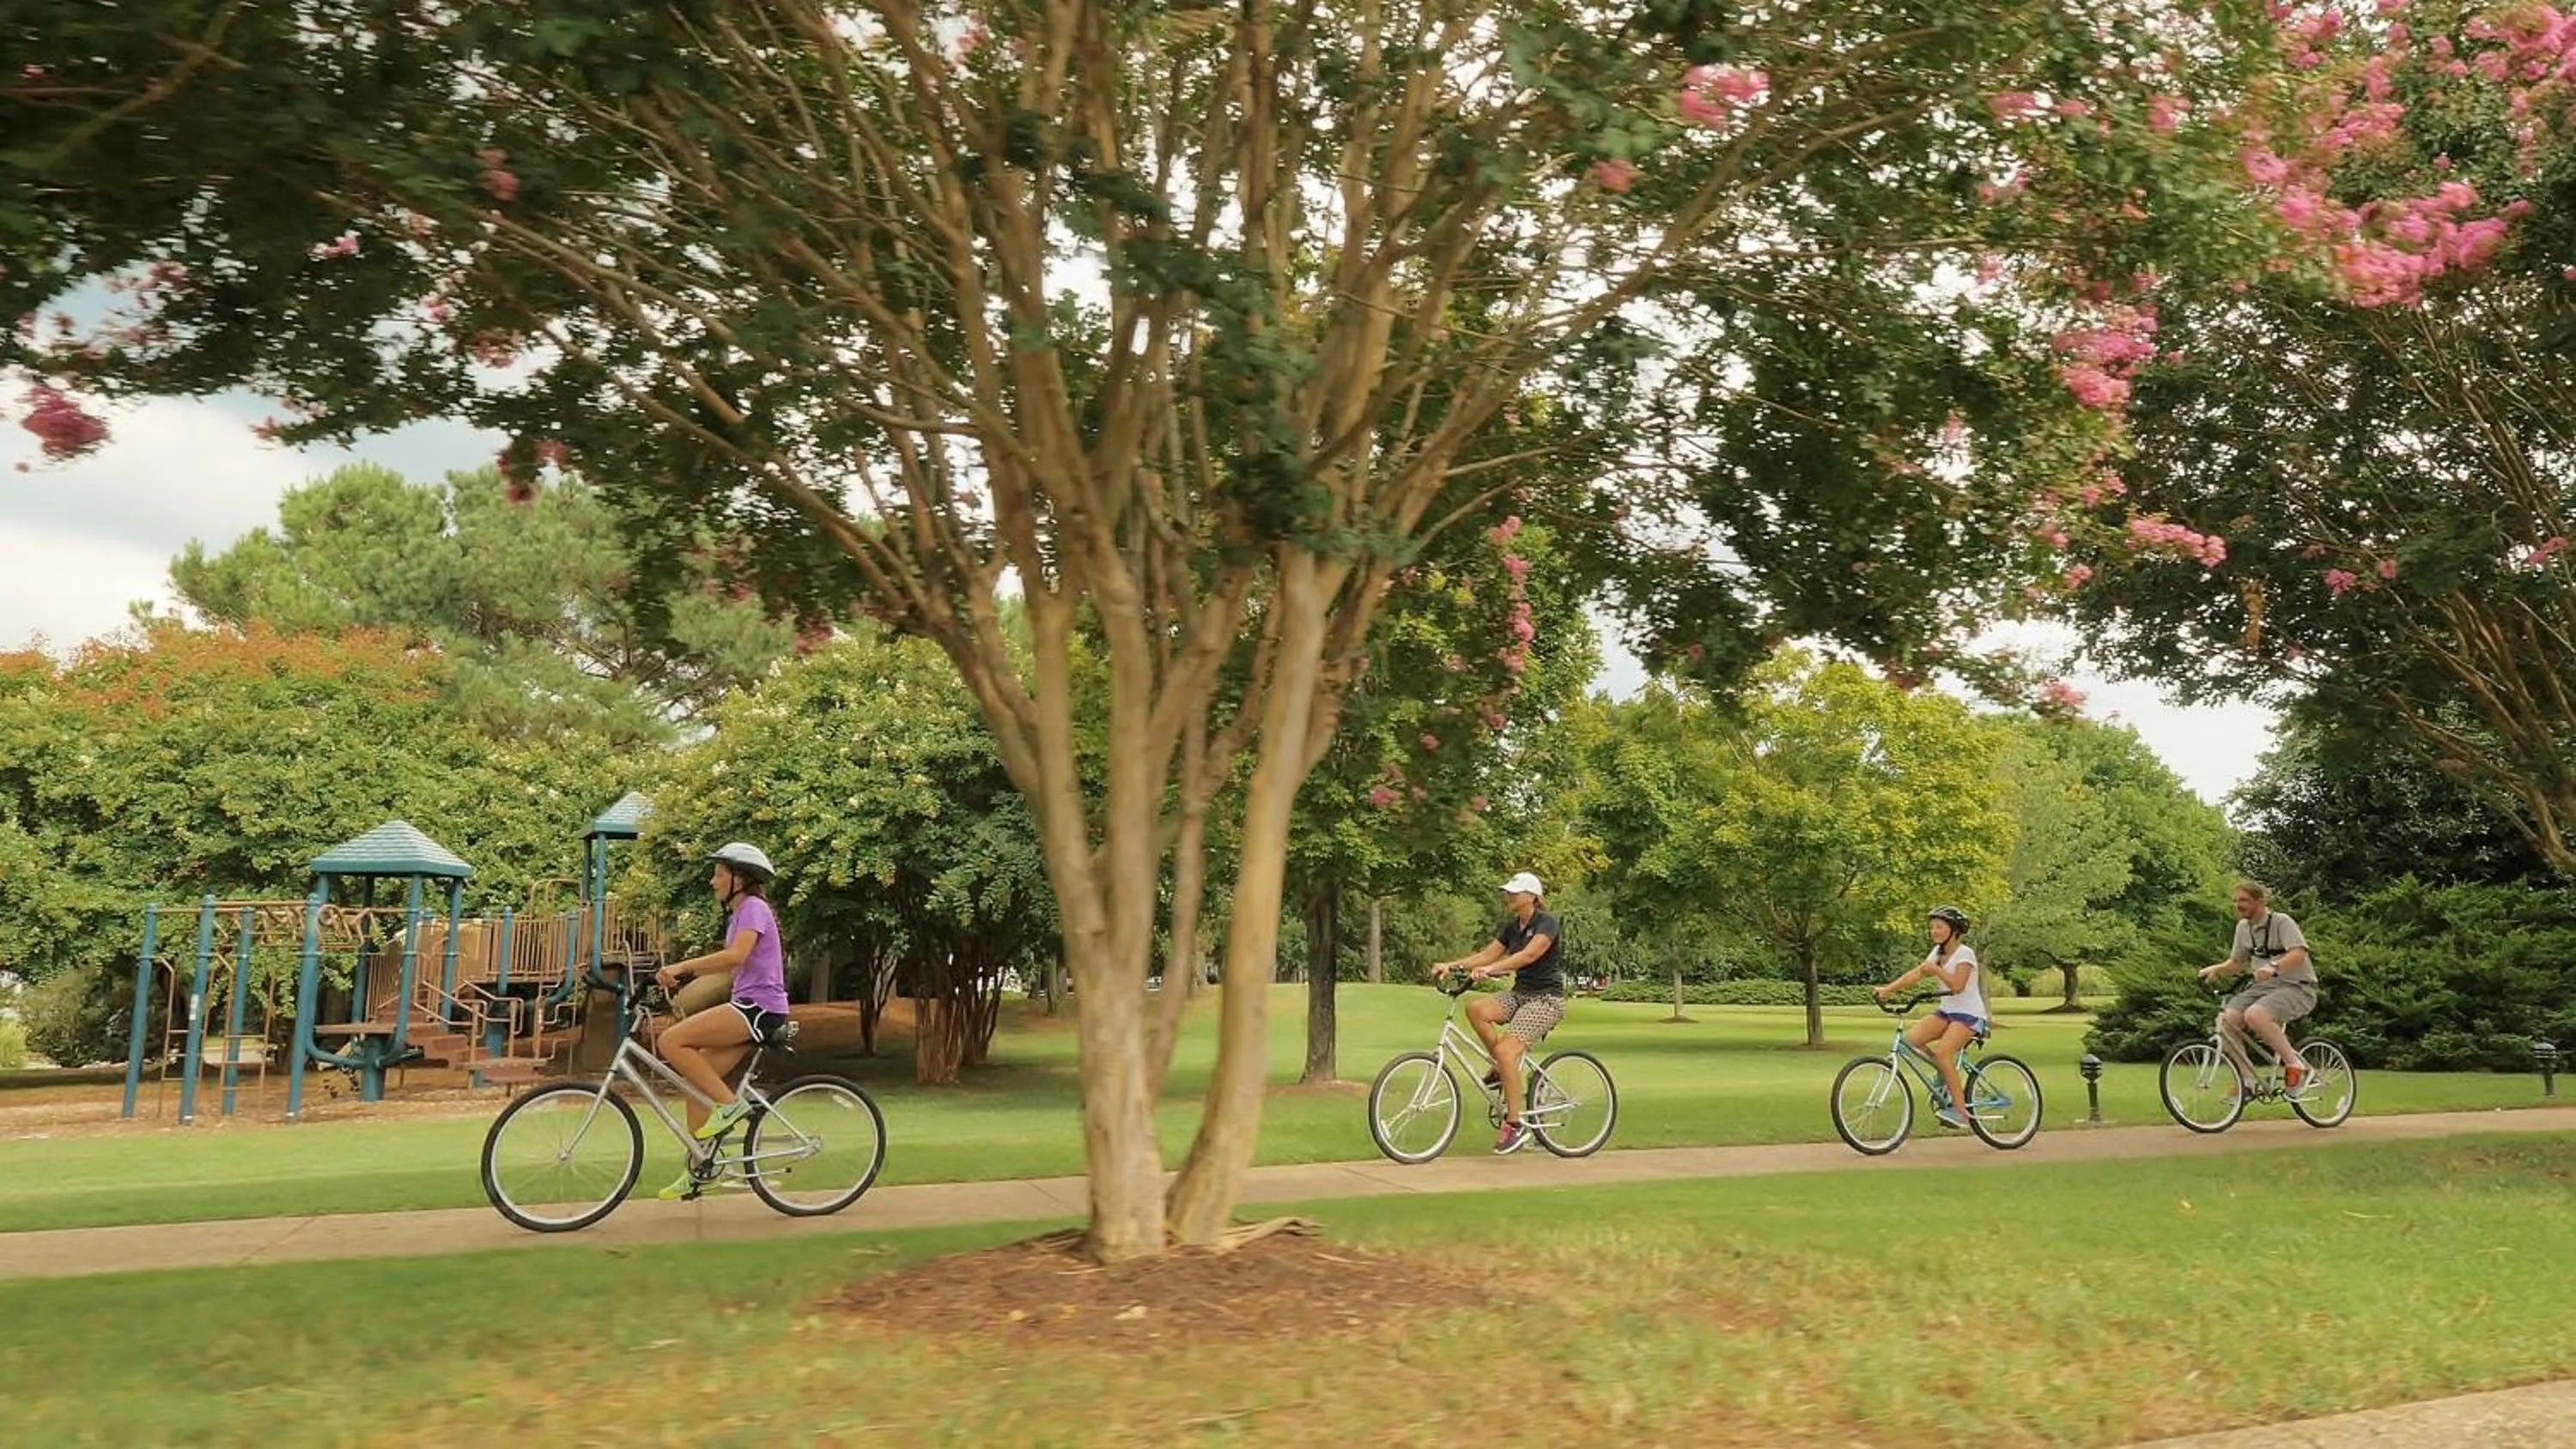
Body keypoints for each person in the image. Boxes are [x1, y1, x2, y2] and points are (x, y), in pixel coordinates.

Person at [652, 842, 791, 1199]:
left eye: (719, 874)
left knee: (670, 1041)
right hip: (748, 1006)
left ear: (740, 879)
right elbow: (731, 964)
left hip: (758, 1008)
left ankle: (731, 1106)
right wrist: (683, 979)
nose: (713, 881)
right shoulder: (740, 914)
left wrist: (683, 967)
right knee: (696, 1084)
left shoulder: (754, 908)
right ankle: (701, 1168)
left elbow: (735, 956)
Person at [1431, 871, 1565, 1155]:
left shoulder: (1547, 923)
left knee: (1506, 1052)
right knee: (1476, 1009)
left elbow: (1528, 956)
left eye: (1515, 893)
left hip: (1546, 1000)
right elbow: (1487, 954)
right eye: (1508, 892)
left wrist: (1492, 970)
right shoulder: (1513, 926)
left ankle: (1515, 1126)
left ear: (1532, 897)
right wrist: (1453, 966)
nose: (1509, 896)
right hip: (1520, 994)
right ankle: (1503, 1069)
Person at [2198, 880, 2318, 1096]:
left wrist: (2274, 966)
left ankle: (2295, 1065)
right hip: (2263, 988)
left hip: (2297, 987)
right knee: (2227, 1021)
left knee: (2255, 1015)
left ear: (2259, 902)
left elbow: (2299, 953)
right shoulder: (2244, 928)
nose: (2237, 905)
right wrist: (2216, 969)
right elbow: (2236, 963)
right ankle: (2247, 1080)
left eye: (2243, 900)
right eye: (2235, 901)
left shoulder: (2282, 922)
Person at [1873, 906, 1985, 1130]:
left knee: (1944, 1053)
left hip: (1970, 1015)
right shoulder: (1936, 953)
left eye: (1939, 927)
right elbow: (1915, 975)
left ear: (1954, 931)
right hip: (1946, 1013)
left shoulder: (1965, 953)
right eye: (1932, 927)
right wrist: (1888, 989)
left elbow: (1957, 986)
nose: (1934, 931)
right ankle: (1944, 1075)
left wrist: (1937, 971)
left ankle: (1960, 1111)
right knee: (1908, 1041)